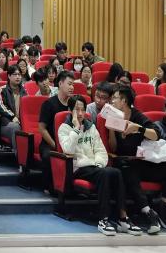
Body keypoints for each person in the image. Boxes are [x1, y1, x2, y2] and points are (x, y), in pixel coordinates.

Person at [57, 95, 141, 236]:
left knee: (116, 172)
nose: (80, 113)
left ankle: (123, 218)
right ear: (70, 111)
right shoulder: (64, 128)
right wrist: (76, 128)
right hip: (78, 167)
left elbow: (100, 150)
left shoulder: (91, 127)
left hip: (95, 167)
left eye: (83, 110)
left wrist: (98, 164)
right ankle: (103, 219)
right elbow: (68, 150)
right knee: (106, 173)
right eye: (76, 110)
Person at [107, 84, 166, 234]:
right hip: (125, 162)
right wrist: (111, 130)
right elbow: (113, 148)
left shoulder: (137, 116)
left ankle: (162, 209)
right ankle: (149, 212)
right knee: (126, 169)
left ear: (124, 101)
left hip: (142, 161)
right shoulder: (113, 117)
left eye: (115, 98)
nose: (112, 101)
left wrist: (138, 128)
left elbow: (156, 134)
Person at [37, 71, 75, 192]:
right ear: (60, 83)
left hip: (69, 142)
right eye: (69, 84)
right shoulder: (49, 103)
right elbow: (42, 129)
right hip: (50, 143)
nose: (72, 87)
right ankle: (50, 187)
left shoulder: (74, 104)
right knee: (48, 155)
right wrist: (55, 145)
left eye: (73, 84)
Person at [0, 65, 27, 151]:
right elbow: (1, 106)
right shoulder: (2, 90)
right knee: (16, 127)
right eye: (15, 74)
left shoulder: (24, 91)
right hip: (6, 124)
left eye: (19, 74)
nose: (18, 77)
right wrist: (13, 116)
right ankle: (20, 157)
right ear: (9, 76)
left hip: (21, 122)